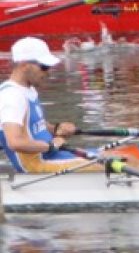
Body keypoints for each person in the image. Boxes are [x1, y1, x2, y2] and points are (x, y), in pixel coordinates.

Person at [0, 37, 86, 173]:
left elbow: (32, 126)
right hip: (37, 165)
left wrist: (56, 129)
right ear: (24, 65)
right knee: (121, 159)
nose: (47, 72)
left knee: (117, 154)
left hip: (51, 155)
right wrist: (50, 145)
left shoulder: (28, 89)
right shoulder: (12, 96)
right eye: (44, 67)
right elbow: (15, 142)